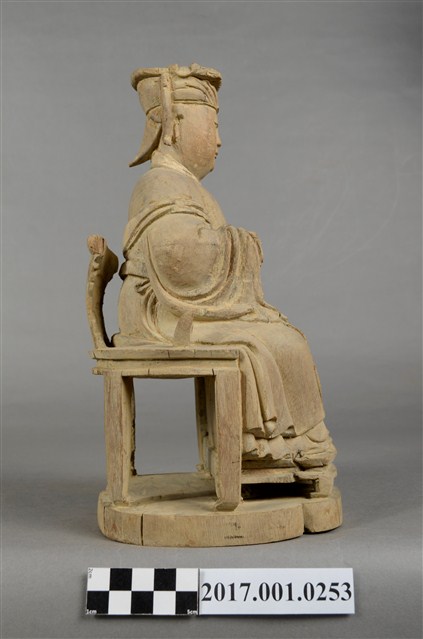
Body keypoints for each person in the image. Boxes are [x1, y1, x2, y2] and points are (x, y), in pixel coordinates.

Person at [114, 64, 336, 471]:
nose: (219, 140)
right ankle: (267, 445)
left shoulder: (185, 185)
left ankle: (282, 441)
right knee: (269, 344)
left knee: (280, 336)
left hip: (178, 306)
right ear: (175, 126)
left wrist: (230, 242)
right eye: (212, 126)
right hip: (160, 313)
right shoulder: (160, 182)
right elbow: (179, 258)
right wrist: (239, 242)